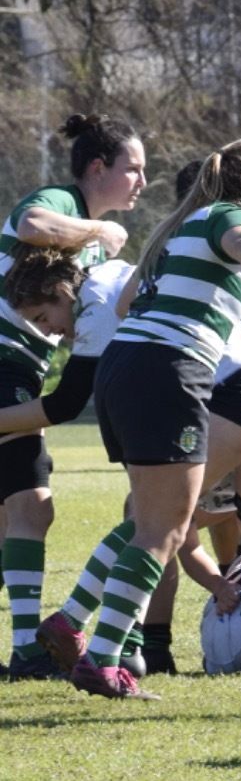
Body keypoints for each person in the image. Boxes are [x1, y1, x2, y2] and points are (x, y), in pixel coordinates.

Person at [64, 138, 241, 700]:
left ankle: (89, 640)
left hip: (129, 366)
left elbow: (125, 307)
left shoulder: (183, 224)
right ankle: (100, 659)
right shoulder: (230, 214)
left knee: (155, 522)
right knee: (165, 528)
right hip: (167, 371)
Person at [0, 114, 141, 680]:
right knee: (32, 504)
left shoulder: (95, 254)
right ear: (98, 168)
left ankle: (28, 647)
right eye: (133, 168)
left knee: (15, 515)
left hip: (21, 370)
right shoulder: (65, 204)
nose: (141, 181)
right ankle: (30, 651)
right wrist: (97, 233)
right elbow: (29, 219)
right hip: (5, 362)